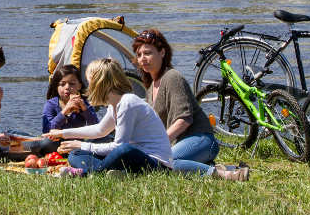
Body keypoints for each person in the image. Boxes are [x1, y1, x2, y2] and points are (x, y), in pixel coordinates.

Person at [133, 28, 249, 181]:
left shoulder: (172, 77)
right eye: (139, 55)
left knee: (165, 164)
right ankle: (213, 167)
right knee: (151, 164)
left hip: (201, 140)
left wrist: (159, 143)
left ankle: (229, 175)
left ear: (162, 52)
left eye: (148, 53)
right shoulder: (150, 88)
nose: (142, 59)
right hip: (178, 144)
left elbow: (184, 120)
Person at [44, 58, 173, 176]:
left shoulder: (127, 102)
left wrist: (83, 145)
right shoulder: (114, 105)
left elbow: (119, 147)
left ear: (99, 83)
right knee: (75, 154)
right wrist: (62, 133)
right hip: (133, 162)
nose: (88, 87)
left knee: (124, 149)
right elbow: (100, 130)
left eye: (90, 82)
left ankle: (87, 173)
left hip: (156, 165)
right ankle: (110, 172)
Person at [30, 64, 99, 156]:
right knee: (43, 143)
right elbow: (47, 130)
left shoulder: (85, 103)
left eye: (72, 84)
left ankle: (76, 153)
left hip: (77, 143)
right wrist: (65, 111)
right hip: (56, 143)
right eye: (62, 84)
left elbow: (95, 127)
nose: (67, 87)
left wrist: (84, 109)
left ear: (79, 86)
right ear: (56, 87)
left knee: (103, 139)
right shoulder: (51, 104)